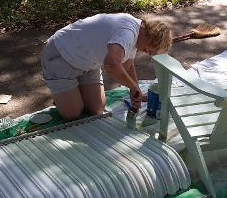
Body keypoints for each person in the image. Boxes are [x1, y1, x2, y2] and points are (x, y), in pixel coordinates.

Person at [41, 13, 172, 121]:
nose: (150, 54)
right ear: (150, 37)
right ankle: (61, 98)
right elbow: (111, 65)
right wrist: (132, 87)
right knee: (72, 114)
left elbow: (127, 64)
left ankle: (71, 93)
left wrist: (136, 89)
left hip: (88, 64)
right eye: (153, 50)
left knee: (96, 109)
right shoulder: (127, 32)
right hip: (62, 56)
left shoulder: (137, 36)